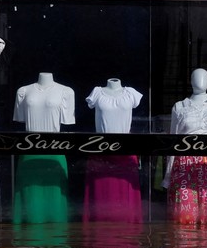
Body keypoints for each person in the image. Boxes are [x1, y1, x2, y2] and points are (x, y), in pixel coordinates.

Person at [164, 68, 207, 226]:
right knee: (185, 217)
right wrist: (168, 175)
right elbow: (172, 142)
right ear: (191, 81)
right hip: (185, 166)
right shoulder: (179, 107)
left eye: (204, 78)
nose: (200, 81)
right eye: (196, 77)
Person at [12, 73, 74, 223]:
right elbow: (20, 117)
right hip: (29, 153)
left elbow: (67, 120)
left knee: (55, 197)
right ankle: (27, 235)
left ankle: (57, 235)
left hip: (54, 151)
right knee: (29, 196)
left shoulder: (66, 92)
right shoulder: (23, 91)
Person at [83, 78, 143, 223]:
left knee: (125, 197)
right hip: (102, 152)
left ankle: (127, 228)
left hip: (125, 152)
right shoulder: (97, 93)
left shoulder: (131, 94)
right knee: (100, 195)